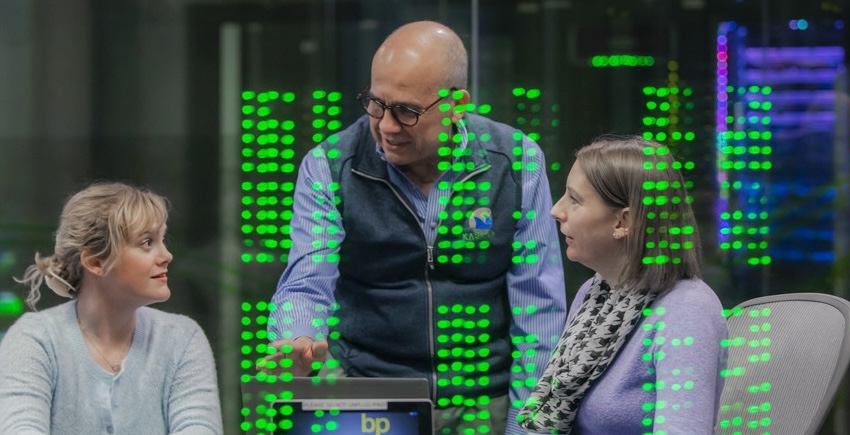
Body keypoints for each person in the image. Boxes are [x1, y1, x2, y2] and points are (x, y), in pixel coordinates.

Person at [259, 20, 567, 435]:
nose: (386, 126)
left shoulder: (514, 162)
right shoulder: (329, 166)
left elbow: (538, 309)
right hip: (370, 399)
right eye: (375, 103)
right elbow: (306, 282)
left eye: (407, 110)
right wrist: (299, 338)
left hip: (482, 402)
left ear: (457, 104)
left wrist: (525, 426)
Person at [518, 135, 728, 434]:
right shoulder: (596, 293)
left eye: (575, 200)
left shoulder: (687, 312)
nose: (556, 210)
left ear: (623, 222)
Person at [0, 182, 222, 434]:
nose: (167, 255)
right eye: (147, 242)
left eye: (163, 239)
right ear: (95, 262)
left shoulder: (183, 338)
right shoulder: (34, 339)